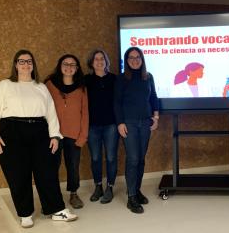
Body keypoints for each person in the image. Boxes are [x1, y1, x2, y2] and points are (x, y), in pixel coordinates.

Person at [0, 49, 77, 228]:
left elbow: (51, 113)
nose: (26, 64)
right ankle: (25, 213)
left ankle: (56, 210)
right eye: (22, 61)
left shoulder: (40, 87)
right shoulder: (4, 85)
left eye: (29, 61)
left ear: (33, 65)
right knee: (18, 174)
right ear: (16, 65)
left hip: (40, 131)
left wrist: (55, 135)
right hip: (12, 132)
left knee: (47, 171)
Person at [114, 46, 159, 214]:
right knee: (132, 159)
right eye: (131, 57)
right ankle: (131, 197)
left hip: (146, 122)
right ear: (127, 60)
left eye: (138, 57)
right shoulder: (121, 79)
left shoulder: (148, 77)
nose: (135, 60)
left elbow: (153, 96)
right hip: (129, 123)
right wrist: (120, 123)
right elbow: (117, 102)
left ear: (142, 59)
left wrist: (156, 117)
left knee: (141, 159)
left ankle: (137, 190)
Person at [45, 54, 88, 209]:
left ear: (77, 69)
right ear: (60, 65)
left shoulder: (81, 87)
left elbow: (85, 112)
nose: (69, 67)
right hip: (54, 135)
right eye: (66, 63)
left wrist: (83, 136)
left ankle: (73, 194)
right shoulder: (49, 85)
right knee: (52, 166)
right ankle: (53, 195)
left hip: (74, 135)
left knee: (73, 166)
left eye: (73, 65)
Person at [84, 49, 119, 204]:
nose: (99, 61)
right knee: (96, 158)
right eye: (96, 59)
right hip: (92, 126)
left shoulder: (114, 79)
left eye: (102, 58)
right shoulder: (86, 80)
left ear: (106, 61)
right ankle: (98, 186)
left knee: (111, 158)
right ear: (92, 63)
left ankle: (109, 187)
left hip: (111, 125)